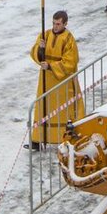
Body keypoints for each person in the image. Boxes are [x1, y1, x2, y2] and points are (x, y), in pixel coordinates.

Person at [29, 10, 83, 147]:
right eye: (53, 23)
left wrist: (51, 66)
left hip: (61, 82)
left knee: (63, 111)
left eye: (58, 24)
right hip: (46, 81)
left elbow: (70, 62)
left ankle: (64, 138)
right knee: (43, 108)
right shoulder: (45, 35)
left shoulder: (68, 39)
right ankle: (38, 138)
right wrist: (40, 51)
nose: (55, 27)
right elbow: (34, 52)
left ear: (65, 23)